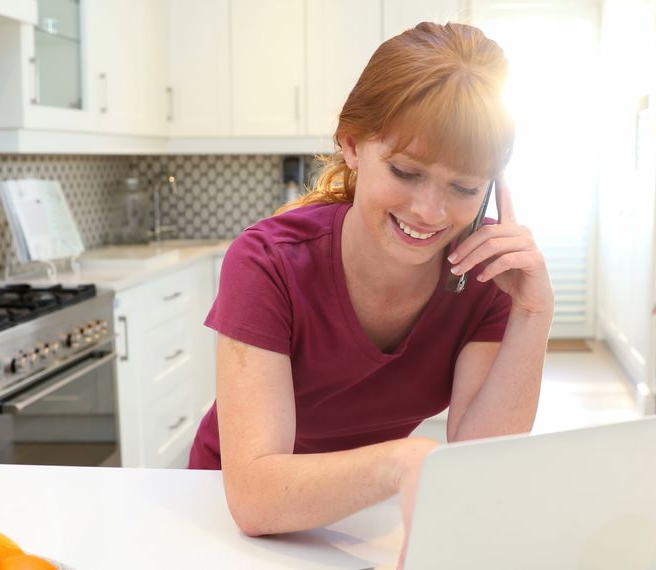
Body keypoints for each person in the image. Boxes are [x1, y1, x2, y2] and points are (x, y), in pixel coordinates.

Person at [187, 21, 553, 564]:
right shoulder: (269, 263)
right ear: (352, 145)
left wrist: (533, 313)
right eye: (406, 171)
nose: (430, 212)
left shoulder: (484, 271)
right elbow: (254, 497)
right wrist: (402, 463)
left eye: (464, 187)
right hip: (231, 521)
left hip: (363, 515)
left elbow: (482, 459)